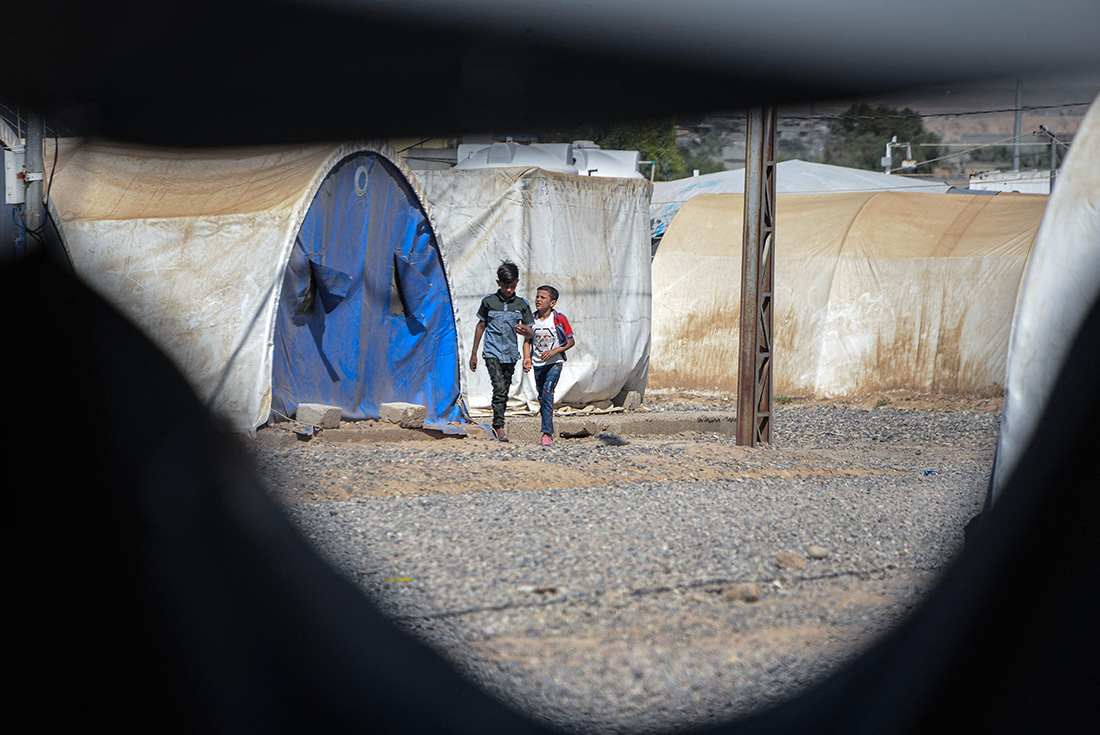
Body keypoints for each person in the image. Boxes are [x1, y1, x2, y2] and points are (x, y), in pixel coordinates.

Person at [469, 260, 534, 442]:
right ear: (498, 283)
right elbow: (481, 325)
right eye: (506, 286)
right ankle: (499, 425)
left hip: (511, 353)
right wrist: (474, 353)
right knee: (498, 387)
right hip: (492, 352)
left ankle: (498, 422)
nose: (509, 290)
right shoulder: (489, 302)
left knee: (504, 389)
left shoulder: (521, 304)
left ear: (517, 283)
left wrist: (525, 331)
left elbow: (531, 331)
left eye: (512, 286)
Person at [529, 284, 575, 446]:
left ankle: (546, 433)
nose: (538, 300)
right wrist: (527, 358)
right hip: (537, 364)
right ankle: (547, 427)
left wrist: (555, 351)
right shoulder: (531, 318)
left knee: (548, 392)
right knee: (542, 397)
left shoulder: (559, 319)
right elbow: (528, 340)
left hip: (554, 363)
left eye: (543, 297)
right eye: (537, 297)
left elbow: (570, 341)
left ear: (552, 303)